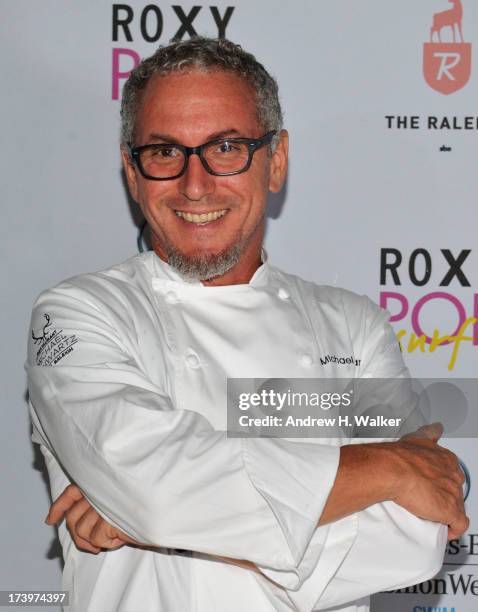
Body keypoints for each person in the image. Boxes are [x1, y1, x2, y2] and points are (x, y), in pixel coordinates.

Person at [26, 37, 467, 612]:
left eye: (226, 147)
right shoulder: (78, 315)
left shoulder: (352, 327)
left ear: (276, 160)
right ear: (131, 172)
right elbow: (160, 493)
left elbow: (415, 538)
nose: (195, 184)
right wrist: (388, 466)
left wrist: (153, 522)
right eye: (164, 152)